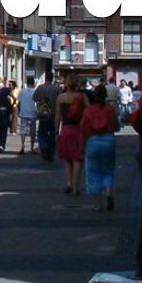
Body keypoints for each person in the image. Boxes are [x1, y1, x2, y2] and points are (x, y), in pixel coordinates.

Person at [81, 84, 119, 212]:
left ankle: (98, 204)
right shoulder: (110, 109)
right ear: (105, 96)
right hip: (109, 140)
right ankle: (108, 193)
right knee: (108, 171)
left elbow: (83, 127)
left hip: (93, 141)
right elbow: (116, 126)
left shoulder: (89, 110)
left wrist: (82, 145)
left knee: (93, 174)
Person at [55, 72, 88, 196]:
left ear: (66, 84)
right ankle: (75, 187)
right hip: (78, 129)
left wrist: (56, 131)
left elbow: (57, 116)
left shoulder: (61, 97)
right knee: (77, 158)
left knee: (67, 158)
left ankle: (68, 183)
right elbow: (89, 111)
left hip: (65, 129)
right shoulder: (81, 96)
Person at [34, 71, 60, 162]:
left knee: (42, 132)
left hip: (42, 114)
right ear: (52, 79)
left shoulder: (40, 88)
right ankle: (51, 152)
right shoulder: (57, 89)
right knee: (52, 133)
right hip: (53, 114)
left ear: (45, 78)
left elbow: (35, 99)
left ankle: (43, 147)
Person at [0, 78, 15, 153]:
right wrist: (12, 104)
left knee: (0, 129)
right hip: (5, 111)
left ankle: (0, 145)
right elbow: (14, 98)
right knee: (4, 129)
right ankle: (3, 146)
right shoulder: (7, 90)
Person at [17, 75, 38, 155]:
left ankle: (22, 146)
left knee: (23, 130)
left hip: (23, 112)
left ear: (27, 83)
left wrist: (19, 111)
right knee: (33, 131)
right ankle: (32, 148)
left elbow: (18, 102)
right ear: (33, 83)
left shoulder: (22, 91)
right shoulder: (35, 91)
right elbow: (37, 102)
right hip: (33, 113)